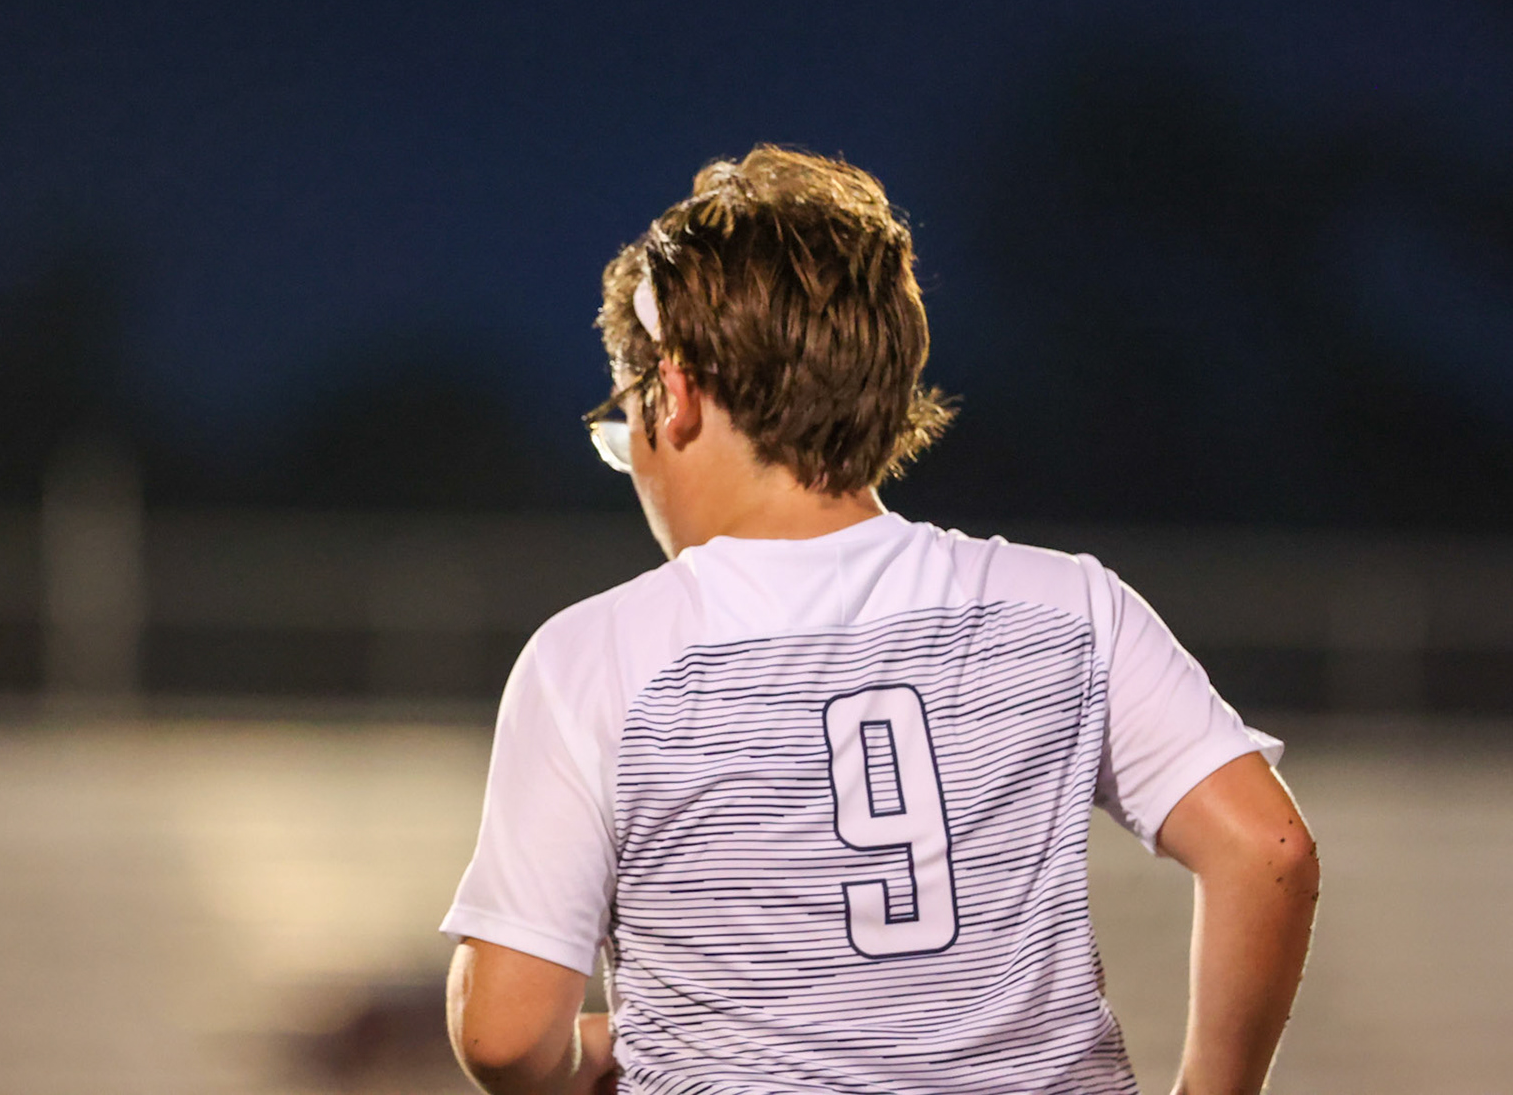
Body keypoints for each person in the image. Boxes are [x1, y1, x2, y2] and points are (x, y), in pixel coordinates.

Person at [441, 146, 1319, 1095]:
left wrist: (617, 1052)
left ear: (679, 394)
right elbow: (1267, 849)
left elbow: (503, 1035)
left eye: (628, 426)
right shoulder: (1069, 606)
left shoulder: (599, 657)